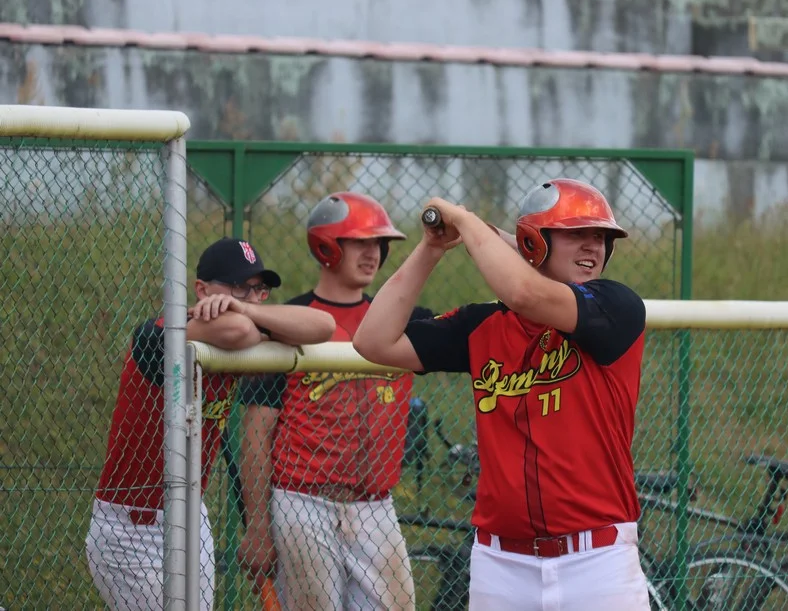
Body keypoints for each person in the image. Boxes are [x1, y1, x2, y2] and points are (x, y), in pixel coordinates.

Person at [352, 178, 650, 611]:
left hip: (596, 563)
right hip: (501, 565)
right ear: (534, 242)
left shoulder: (615, 306)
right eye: (576, 234)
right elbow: (373, 341)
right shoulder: (483, 327)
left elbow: (525, 292)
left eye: (601, 236)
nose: (593, 247)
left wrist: (466, 221)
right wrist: (432, 248)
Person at [86, 237, 337, 611]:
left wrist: (240, 307)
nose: (252, 298)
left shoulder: (239, 322)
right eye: (238, 287)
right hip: (131, 527)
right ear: (201, 290)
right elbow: (234, 332)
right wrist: (259, 323)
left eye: (259, 290)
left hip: (191, 515)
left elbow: (323, 325)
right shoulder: (162, 335)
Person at [237, 192, 439, 611]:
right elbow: (257, 431)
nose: (374, 253)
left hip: (375, 504)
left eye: (378, 244)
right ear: (327, 246)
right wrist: (257, 527)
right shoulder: (292, 321)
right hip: (303, 501)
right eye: (360, 242)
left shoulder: (404, 319)